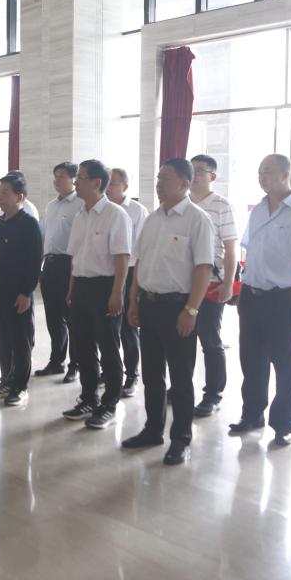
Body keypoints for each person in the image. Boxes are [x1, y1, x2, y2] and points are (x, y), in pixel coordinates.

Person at [121, 159, 214, 466]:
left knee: (181, 378)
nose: (159, 183)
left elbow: (203, 268)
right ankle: (152, 430)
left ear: (185, 183)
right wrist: (133, 301)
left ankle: (181, 439)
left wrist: (191, 309)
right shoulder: (152, 219)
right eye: (158, 177)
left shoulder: (197, 220)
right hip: (148, 304)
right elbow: (140, 263)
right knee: (152, 374)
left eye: (166, 179)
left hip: (178, 307)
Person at [229, 154, 291, 447]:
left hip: (282, 298)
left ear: (285, 174)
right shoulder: (257, 210)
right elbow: (250, 252)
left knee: (284, 364)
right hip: (251, 295)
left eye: (267, 172)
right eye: (259, 172)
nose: (261, 177)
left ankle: (283, 424)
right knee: (251, 360)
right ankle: (252, 414)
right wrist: (240, 290)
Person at [60, 159, 132, 429]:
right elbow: (75, 256)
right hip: (81, 287)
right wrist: (71, 288)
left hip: (105, 288)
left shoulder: (116, 215)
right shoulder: (80, 215)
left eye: (80, 177)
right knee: (83, 348)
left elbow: (122, 258)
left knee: (109, 349)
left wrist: (117, 294)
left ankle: (109, 404)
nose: (75, 182)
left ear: (96, 183)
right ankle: (89, 398)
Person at [0, 173, 43, 406]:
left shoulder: (29, 224)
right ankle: (6, 380)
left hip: (19, 293)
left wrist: (26, 292)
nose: (0, 196)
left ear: (20, 197)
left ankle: (20, 386)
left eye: (5, 192)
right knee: (2, 339)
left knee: (20, 341)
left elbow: (35, 261)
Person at [189, 155, 239, 416]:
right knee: (182, 339)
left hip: (211, 282)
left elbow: (231, 249)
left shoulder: (221, 205)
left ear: (213, 176)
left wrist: (228, 282)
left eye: (200, 171)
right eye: (191, 170)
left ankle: (213, 394)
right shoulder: (182, 202)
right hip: (182, 283)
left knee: (209, 339)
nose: (194, 175)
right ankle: (181, 388)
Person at [35, 163, 85, 382]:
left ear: (74, 179)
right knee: (53, 318)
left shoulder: (81, 204)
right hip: (50, 265)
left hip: (69, 265)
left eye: (62, 176)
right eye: (55, 176)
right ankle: (57, 361)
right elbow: (45, 237)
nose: (56, 181)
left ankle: (76, 364)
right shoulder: (51, 206)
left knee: (73, 319)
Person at [106, 168, 148, 398]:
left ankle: (132, 375)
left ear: (125, 187)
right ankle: (110, 370)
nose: (108, 188)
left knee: (127, 328)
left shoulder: (137, 211)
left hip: (130, 272)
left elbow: (140, 250)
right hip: (107, 272)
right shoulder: (103, 209)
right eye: (107, 183)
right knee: (107, 326)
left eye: (113, 184)